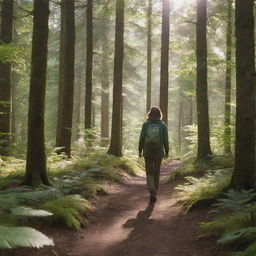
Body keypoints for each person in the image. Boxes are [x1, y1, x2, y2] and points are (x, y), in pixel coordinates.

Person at [138, 106, 169, 203]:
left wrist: (140, 150)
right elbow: (165, 140)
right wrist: (167, 151)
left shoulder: (146, 124)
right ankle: (155, 189)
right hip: (159, 152)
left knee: (149, 172)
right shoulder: (163, 125)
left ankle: (152, 191)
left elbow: (142, 138)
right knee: (156, 172)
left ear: (149, 114)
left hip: (147, 152)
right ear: (160, 114)